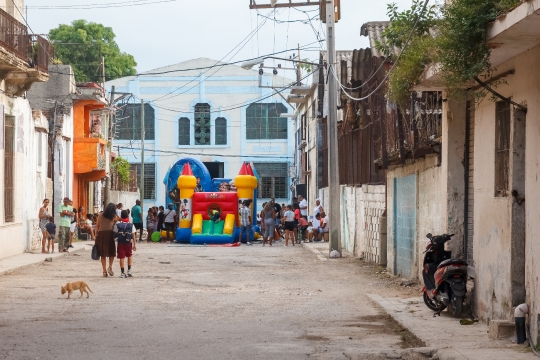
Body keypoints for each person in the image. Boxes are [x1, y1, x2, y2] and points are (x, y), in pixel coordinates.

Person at [96, 203, 117, 277]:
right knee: (112, 252)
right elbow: (118, 221)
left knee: (103, 254)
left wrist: (95, 236)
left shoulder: (100, 215)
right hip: (110, 235)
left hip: (101, 235)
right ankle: (110, 267)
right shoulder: (113, 216)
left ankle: (104, 271)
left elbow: (97, 226)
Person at [114, 210, 137, 278]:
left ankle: (122, 273)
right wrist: (134, 244)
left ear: (121, 216)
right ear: (127, 216)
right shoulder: (131, 225)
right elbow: (133, 235)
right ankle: (129, 270)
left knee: (122, 257)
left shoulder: (118, 224)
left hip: (120, 243)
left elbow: (115, 232)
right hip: (128, 243)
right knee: (129, 255)